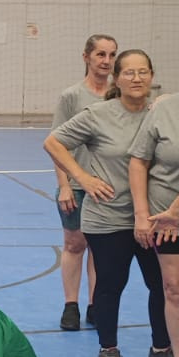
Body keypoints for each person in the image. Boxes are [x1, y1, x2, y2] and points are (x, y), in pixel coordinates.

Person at [44, 49, 170, 357]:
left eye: (143, 72)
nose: (137, 78)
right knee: (111, 284)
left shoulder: (160, 114)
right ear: (117, 78)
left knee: (161, 285)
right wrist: (81, 178)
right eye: (129, 72)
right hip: (108, 218)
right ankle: (108, 350)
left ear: (152, 77)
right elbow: (54, 142)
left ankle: (161, 350)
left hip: (153, 219)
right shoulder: (98, 114)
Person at [51, 33, 117, 331]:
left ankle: (94, 304)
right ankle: (71, 305)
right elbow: (57, 144)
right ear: (86, 57)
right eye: (101, 54)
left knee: (99, 247)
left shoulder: (118, 96)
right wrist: (65, 184)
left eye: (112, 55)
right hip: (77, 185)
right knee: (74, 243)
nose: (106, 61)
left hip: (109, 187)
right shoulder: (72, 97)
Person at [129, 90, 179, 357]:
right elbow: (138, 161)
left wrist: (177, 210)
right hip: (167, 222)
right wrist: (141, 214)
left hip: (173, 215)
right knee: (174, 289)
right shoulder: (165, 108)